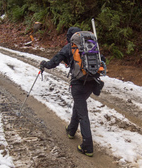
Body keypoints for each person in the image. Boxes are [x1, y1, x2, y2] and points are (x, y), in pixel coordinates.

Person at [39, 27, 104, 157]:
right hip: (91, 82)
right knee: (79, 105)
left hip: (78, 84)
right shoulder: (90, 45)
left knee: (83, 114)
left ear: (70, 37)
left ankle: (87, 146)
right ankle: (71, 130)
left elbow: (53, 62)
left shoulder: (69, 47)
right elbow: (102, 60)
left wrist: (44, 64)